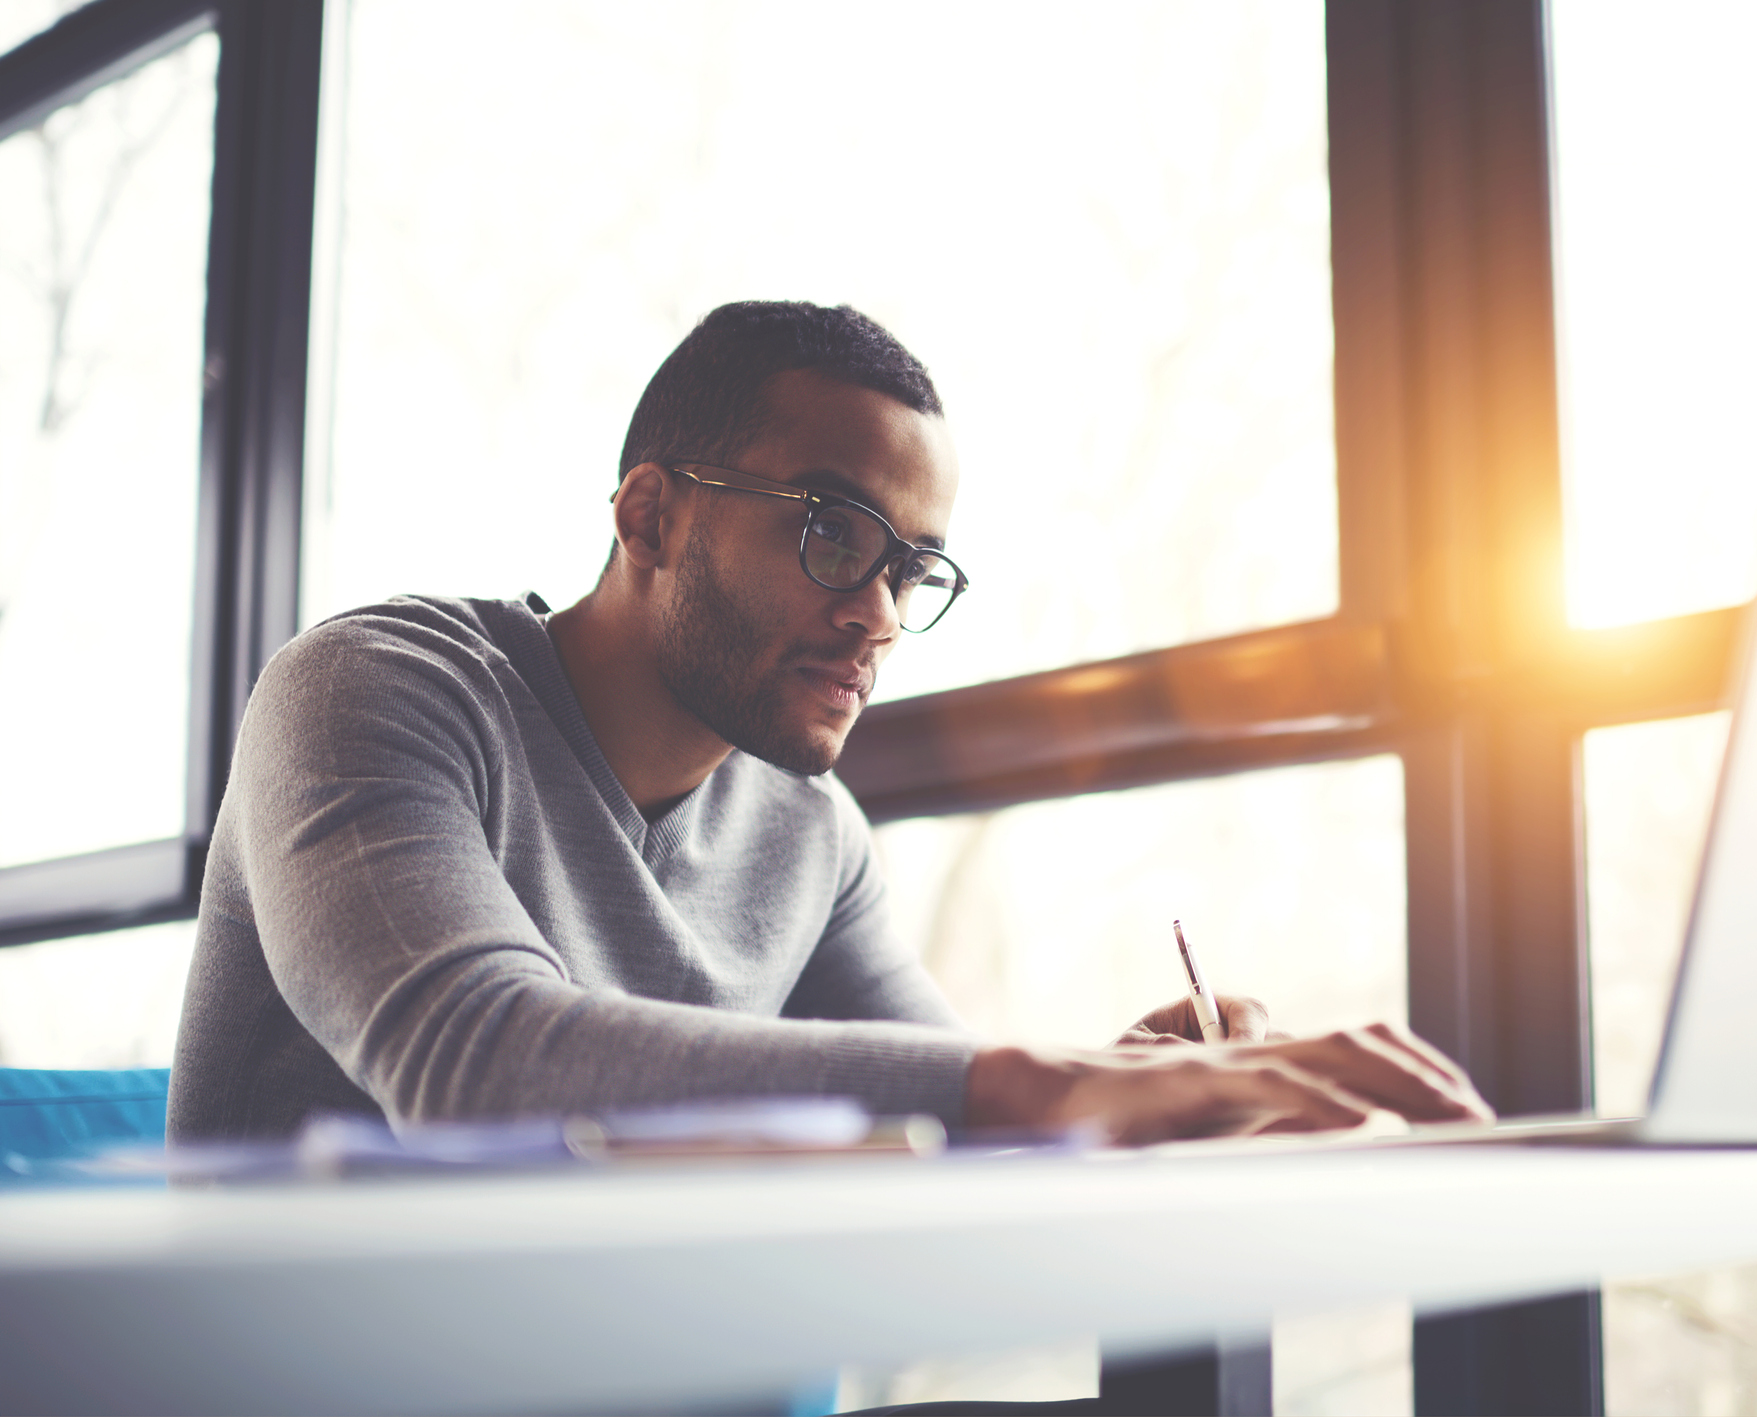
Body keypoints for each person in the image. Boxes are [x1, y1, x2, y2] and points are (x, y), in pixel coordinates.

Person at [168, 300, 1491, 1147]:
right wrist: (1032, 1083)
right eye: (832, 532)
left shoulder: (811, 835)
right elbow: (474, 1060)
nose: (879, 614)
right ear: (649, 516)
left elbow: (935, 1099)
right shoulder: (374, 690)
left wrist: (1121, 1091)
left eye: (912, 569)